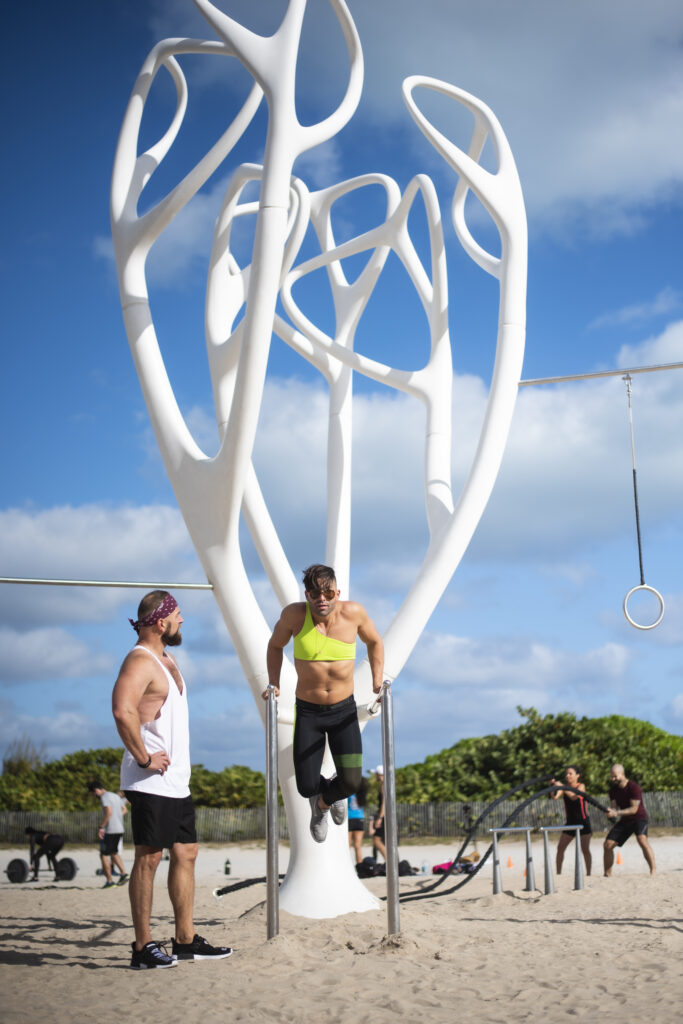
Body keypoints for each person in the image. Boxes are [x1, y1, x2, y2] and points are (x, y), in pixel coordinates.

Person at [112, 590, 233, 969]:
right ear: (161, 620)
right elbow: (121, 709)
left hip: (176, 780)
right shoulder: (140, 660)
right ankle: (142, 947)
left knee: (186, 852)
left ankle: (184, 941)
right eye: (178, 615)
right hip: (151, 780)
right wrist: (144, 758)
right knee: (149, 859)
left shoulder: (167, 658)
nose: (182, 621)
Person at [265, 564, 384, 843]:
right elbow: (274, 646)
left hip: (343, 711)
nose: (322, 598)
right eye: (315, 593)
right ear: (307, 595)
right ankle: (327, 793)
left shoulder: (353, 613)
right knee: (306, 785)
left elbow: (375, 642)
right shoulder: (294, 615)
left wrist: (378, 679)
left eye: (328, 592)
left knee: (352, 782)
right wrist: (274, 682)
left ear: (337, 593)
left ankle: (324, 803)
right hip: (309, 711)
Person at [604, 763, 656, 876]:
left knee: (642, 839)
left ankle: (653, 871)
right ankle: (607, 875)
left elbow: (634, 809)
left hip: (639, 818)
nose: (613, 779)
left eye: (615, 776)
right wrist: (610, 813)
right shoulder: (613, 790)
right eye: (611, 776)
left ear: (622, 774)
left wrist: (616, 812)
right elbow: (614, 808)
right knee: (608, 845)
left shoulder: (634, 787)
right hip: (625, 821)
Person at [549, 765, 592, 876]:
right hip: (570, 822)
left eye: (570, 774)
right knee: (560, 848)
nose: (567, 776)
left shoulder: (581, 786)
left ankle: (588, 874)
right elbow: (555, 797)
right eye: (566, 774)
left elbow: (574, 796)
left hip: (583, 822)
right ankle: (558, 873)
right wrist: (552, 787)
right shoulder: (565, 787)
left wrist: (562, 787)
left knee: (585, 849)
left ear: (577, 775)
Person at [88, 781, 129, 888]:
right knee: (113, 852)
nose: (94, 796)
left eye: (93, 794)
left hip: (110, 829)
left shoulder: (104, 797)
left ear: (96, 790)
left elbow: (108, 812)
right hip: (120, 828)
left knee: (103, 855)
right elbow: (125, 810)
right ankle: (124, 874)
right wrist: (117, 816)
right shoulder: (115, 796)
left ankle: (110, 881)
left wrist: (101, 827)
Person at [347, 776, 368, 865]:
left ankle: (346, 865)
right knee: (357, 845)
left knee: (347, 845)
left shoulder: (349, 794)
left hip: (349, 819)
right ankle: (359, 865)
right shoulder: (362, 795)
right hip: (360, 819)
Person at [368, 765, 386, 862]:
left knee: (377, 840)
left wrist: (380, 818)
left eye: (376, 774)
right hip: (386, 816)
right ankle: (390, 862)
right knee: (382, 840)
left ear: (379, 774)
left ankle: (389, 862)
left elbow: (384, 803)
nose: (375, 776)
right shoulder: (386, 784)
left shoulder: (383, 786)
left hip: (383, 816)